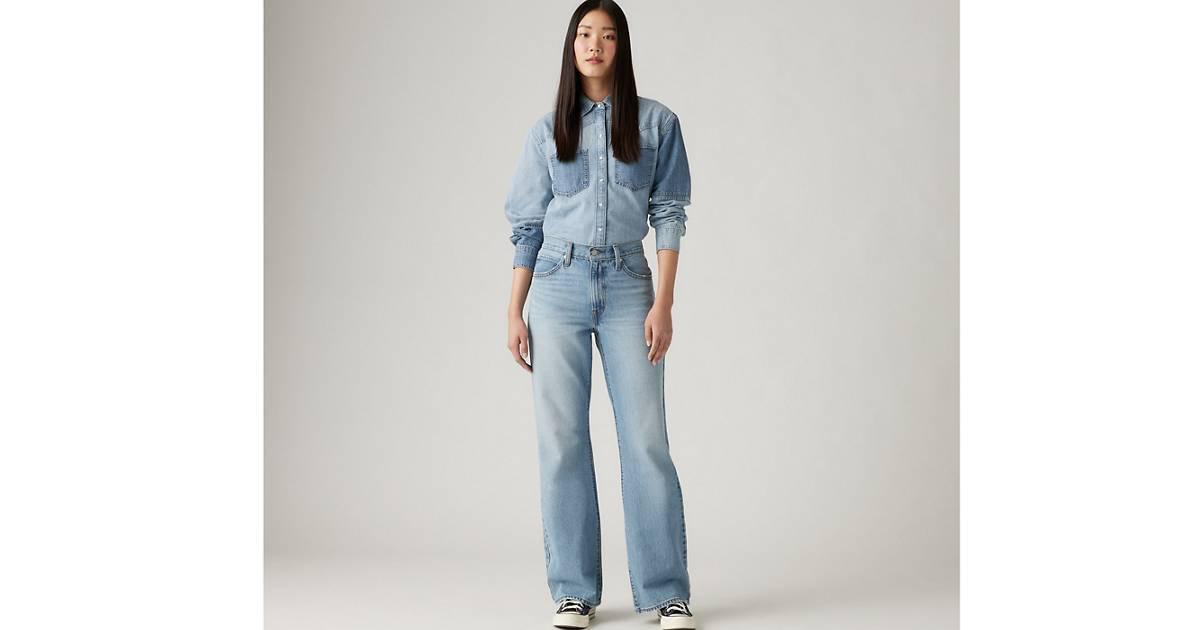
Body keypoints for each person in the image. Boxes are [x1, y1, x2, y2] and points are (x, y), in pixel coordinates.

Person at [503, 2, 697, 629]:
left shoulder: (657, 123)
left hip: (628, 284)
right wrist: (514, 310)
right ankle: (573, 591)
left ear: (621, 47)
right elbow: (527, 227)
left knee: (645, 439)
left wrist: (664, 302)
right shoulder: (547, 131)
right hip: (555, 287)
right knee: (561, 441)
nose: (595, 45)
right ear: (572, 46)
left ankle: (665, 592)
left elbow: (669, 212)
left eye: (608, 36)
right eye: (585, 34)